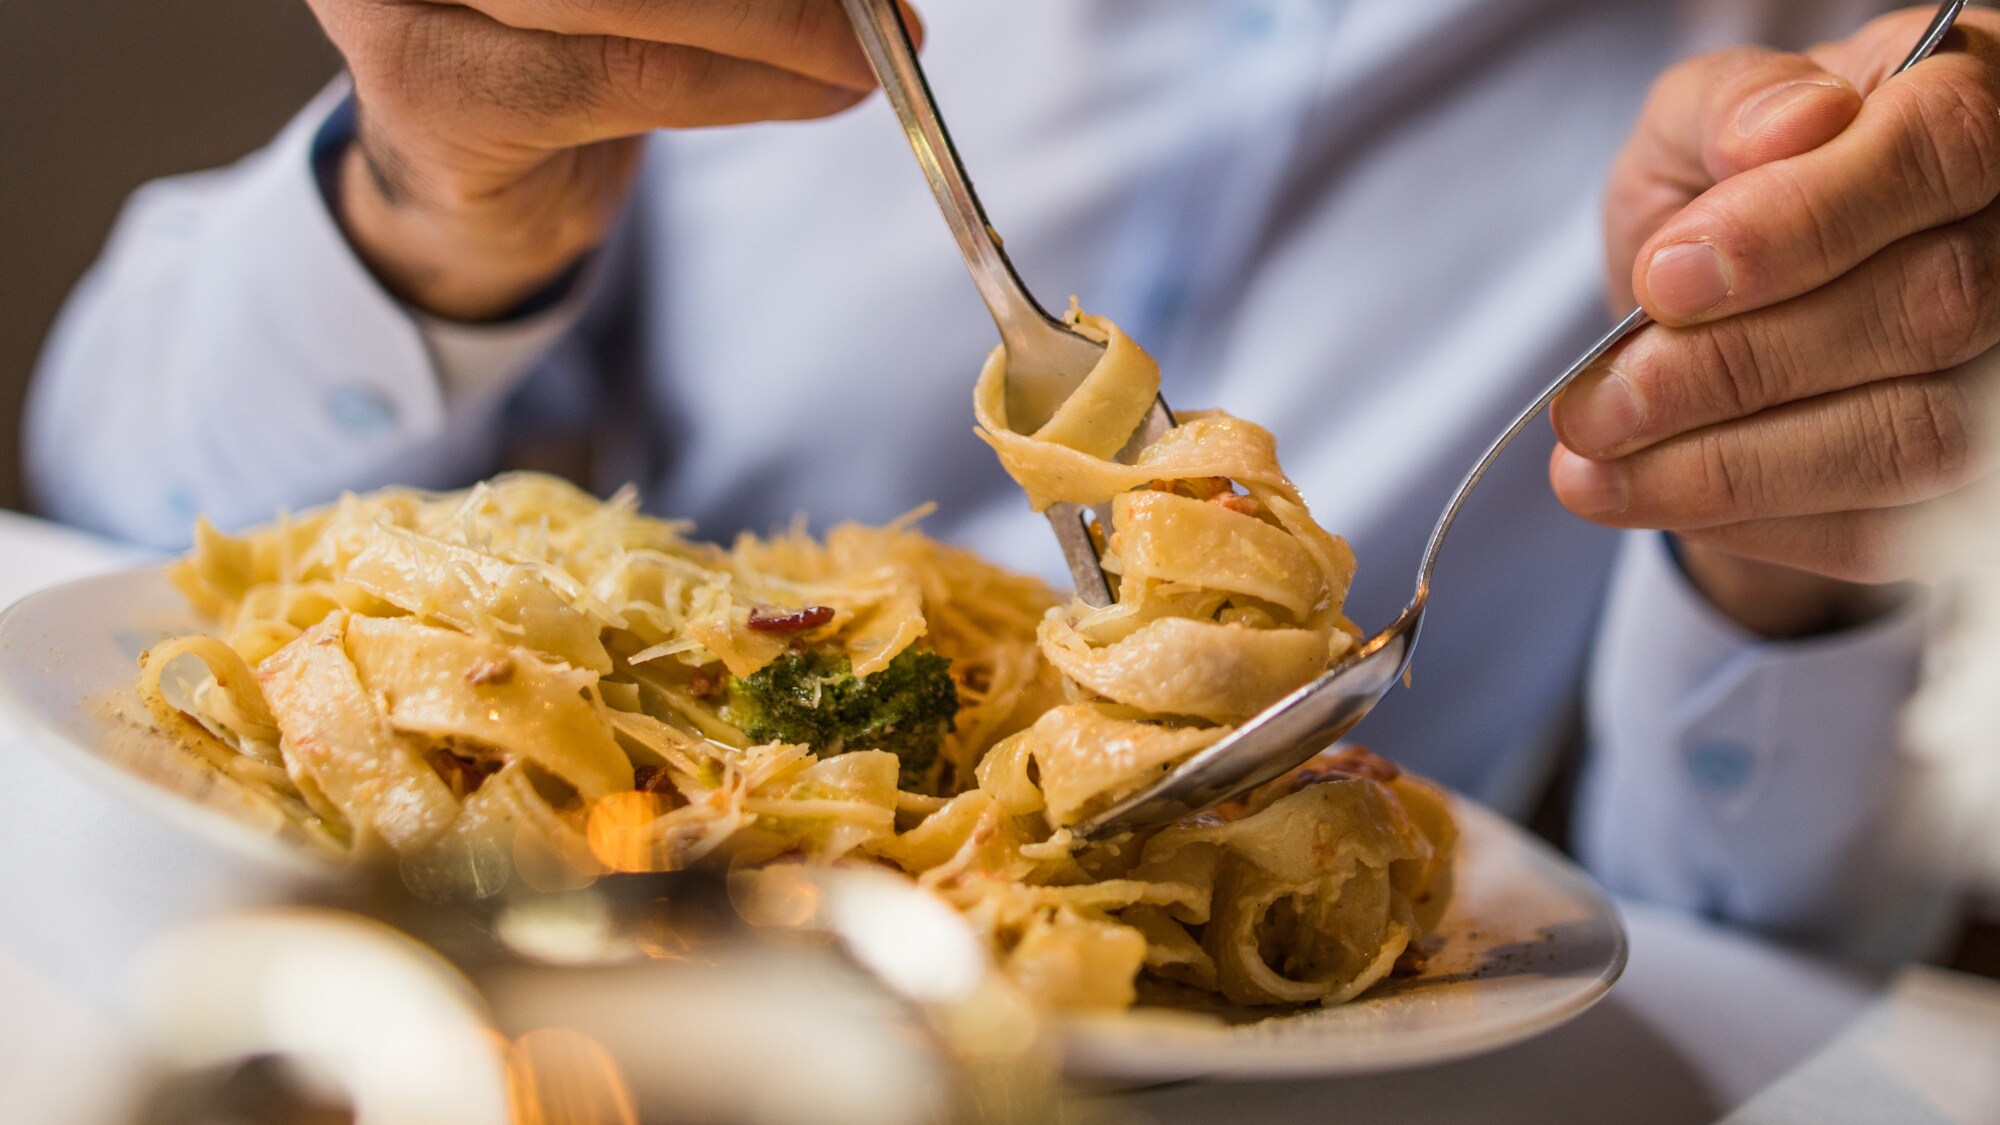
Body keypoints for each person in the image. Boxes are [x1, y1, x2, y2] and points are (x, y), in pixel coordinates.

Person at [25, 0, 1998, 955]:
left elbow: (1742, 941)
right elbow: (102, 490)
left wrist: (1789, 557)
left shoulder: (1845, 76)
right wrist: (424, 204)